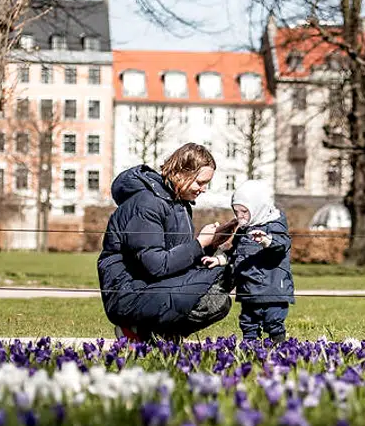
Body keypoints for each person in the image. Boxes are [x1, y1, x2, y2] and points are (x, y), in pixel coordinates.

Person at [98, 144, 235, 342]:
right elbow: (156, 265)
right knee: (212, 298)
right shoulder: (146, 204)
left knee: (226, 275)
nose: (204, 189)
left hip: (149, 286)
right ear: (181, 173)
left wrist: (211, 243)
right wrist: (198, 244)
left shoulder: (177, 204)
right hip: (129, 293)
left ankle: (160, 335)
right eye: (200, 182)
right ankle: (137, 330)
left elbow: (178, 259)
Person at [204, 179, 293, 343]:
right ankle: (250, 348)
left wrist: (266, 241)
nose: (239, 216)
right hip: (248, 289)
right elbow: (235, 252)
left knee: (273, 322)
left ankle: (279, 347)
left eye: (244, 211)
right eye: (236, 211)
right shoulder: (243, 230)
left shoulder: (274, 225)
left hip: (272, 290)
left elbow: (281, 245)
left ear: (258, 207)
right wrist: (219, 259)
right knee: (248, 323)